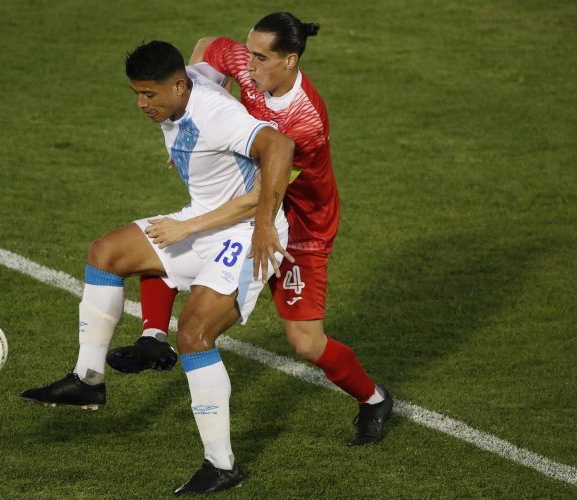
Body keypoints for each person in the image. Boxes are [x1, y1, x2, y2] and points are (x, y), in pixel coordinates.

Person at [21, 40, 295, 495]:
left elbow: (280, 146)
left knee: (193, 334)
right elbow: (208, 46)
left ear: (178, 85)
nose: (142, 105)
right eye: (136, 94)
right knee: (105, 253)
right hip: (203, 218)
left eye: (150, 95)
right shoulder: (189, 78)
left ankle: (222, 465)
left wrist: (265, 222)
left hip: (243, 233)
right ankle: (88, 379)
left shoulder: (214, 114)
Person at [106, 12, 394, 447]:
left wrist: (191, 223)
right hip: (251, 217)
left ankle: (373, 399)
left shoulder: (304, 122)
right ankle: (151, 338)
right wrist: (197, 125)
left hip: (300, 226)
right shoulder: (244, 63)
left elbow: (265, 194)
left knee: (305, 341)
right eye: (249, 52)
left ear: (290, 60)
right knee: (160, 254)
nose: (248, 64)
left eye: (260, 58)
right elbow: (205, 46)